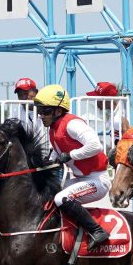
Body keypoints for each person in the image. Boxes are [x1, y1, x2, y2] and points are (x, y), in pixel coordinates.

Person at [33, 84, 111, 249]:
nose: (41, 115)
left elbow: (95, 145)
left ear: (59, 111)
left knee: (62, 198)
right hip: (82, 179)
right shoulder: (53, 130)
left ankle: (98, 231)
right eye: (39, 111)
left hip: (98, 180)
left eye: (46, 111)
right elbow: (55, 155)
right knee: (49, 195)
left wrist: (71, 155)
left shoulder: (71, 124)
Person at [11, 78, 60, 186]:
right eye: (20, 95)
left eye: (26, 93)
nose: (23, 97)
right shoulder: (15, 112)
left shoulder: (49, 108)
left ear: (36, 92)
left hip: (52, 157)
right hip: (29, 159)